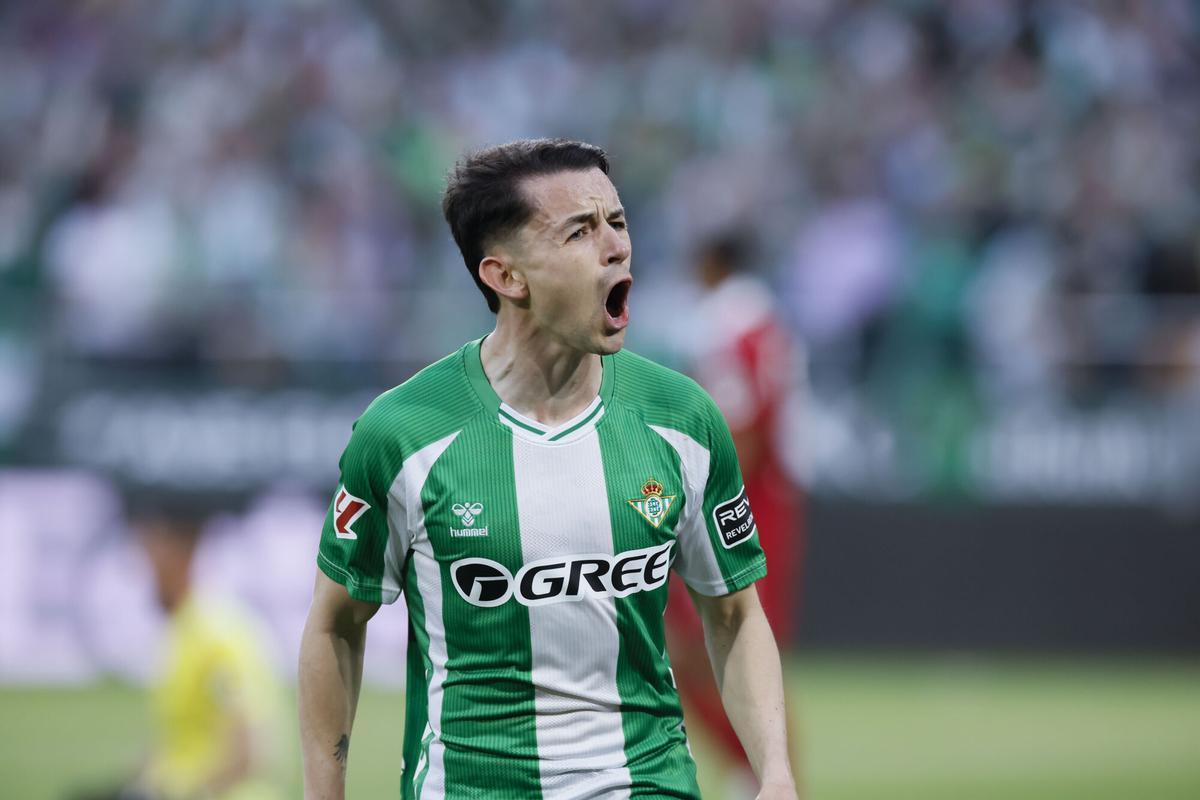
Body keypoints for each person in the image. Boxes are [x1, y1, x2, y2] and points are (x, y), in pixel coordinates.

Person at [298, 138, 798, 799]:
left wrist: (777, 775)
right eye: (580, 231)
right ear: (506, 276)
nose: (616, 246)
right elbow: (336, 622)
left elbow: (733, 615)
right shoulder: (403, 435)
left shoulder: (684, 419)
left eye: (617, 223)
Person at [666, 234, 807, 796]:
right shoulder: (766, 320)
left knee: (718, 640)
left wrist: (705, 496)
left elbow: (741, 426)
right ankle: (756, 771)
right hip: (770, 494)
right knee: (698, 646)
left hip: (745, 498)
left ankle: (770, 775)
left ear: (710, 262)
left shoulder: (726, 325)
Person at [122, 512, 286, 800]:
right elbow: (179, 739)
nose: (144, 572)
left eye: (151, 559)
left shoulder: (217, 635)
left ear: (180, 556)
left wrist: (189, 792)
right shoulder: (184, 630)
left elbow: (248, 751)